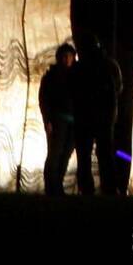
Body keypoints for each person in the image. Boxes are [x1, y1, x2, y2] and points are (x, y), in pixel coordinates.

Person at [71, 35, 124, 195]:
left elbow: (72, 90)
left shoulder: (80, 67)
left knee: (85, 154)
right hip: (103, 117)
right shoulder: (109, 65)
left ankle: (87, 188)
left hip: (86, 117)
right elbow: (119, 87)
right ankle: (109, 188)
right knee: (105, 154)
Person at [39, 43, 82, 195]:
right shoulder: (51, 77)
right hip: (58, 120)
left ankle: (57, 183)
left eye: (69, 56)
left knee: (66, 154)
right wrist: (47, 120)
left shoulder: (77, 76)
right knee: (55, 154)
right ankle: (51, 186)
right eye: (64, 56)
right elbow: (44, 100)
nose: (67, 59)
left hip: (74, 121)